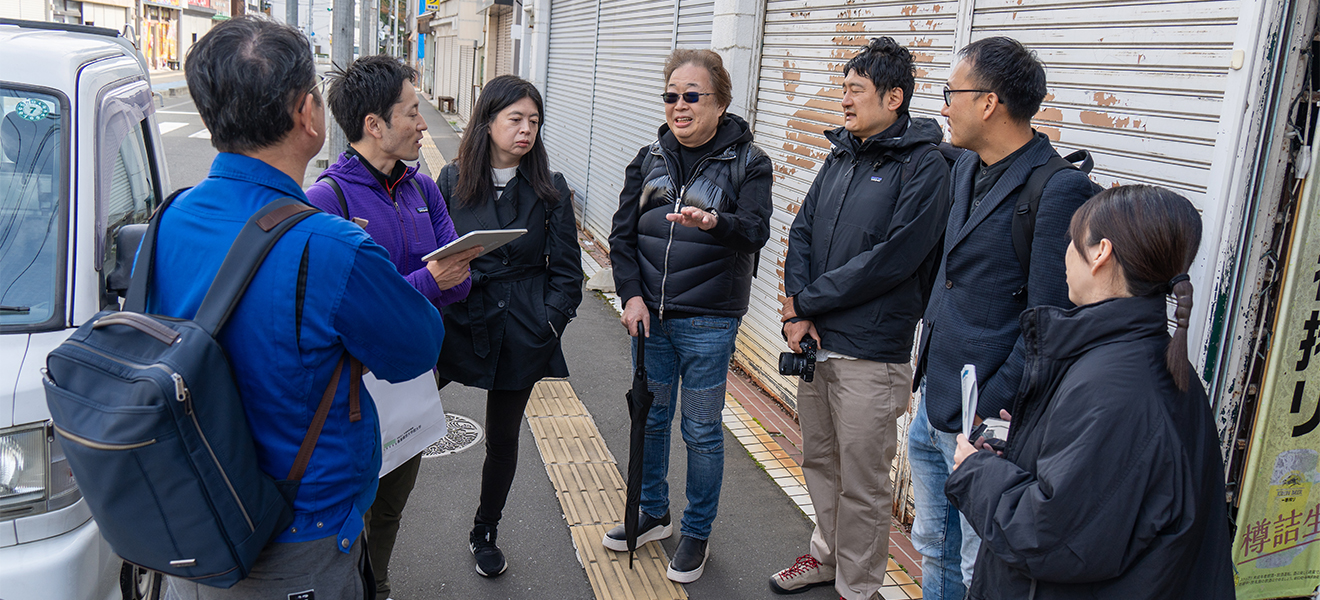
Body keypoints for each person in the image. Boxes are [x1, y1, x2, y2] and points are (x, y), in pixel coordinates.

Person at [156, 18, 445, 600]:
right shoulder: (330, 244)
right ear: (306, 115)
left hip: (200, 518)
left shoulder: (171, 217)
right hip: (301, 532)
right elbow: (418, 345)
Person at [945, 185, 1235, 599]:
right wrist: (1028, 446)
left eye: (1071, 242)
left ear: (1100, 253)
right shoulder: (1155, 364)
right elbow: (1102, 498)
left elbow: (1049, 536)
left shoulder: (1116, 386)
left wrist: (976, 472)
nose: (1065, 256)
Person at [908, 36, 1097, 600]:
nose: (942, 105)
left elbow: (1048, 321)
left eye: (950, 93)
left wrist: (989, 405)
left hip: (988, 421)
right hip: (934, 400)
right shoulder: (965, 165)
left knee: (978, 564)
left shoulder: (1058, 188)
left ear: (988, 103)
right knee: (932, 544)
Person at [769, 37, 951, 600]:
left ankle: (858, 586)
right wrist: (797, 310)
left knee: (865, 482)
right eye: (843, 88)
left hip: (872, 352)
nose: (843, 100)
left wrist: (808, 302)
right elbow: (802, 230)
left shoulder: (925, 166)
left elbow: (894, 258)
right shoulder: (842, 153)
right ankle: (825, 556)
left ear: (894, 97)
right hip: (816, 343)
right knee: (820, 460)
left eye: (856, 90)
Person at [305, 55, 478, 600]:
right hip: (351, 395)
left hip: (414, 384)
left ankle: (376, 587)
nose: (424, 123)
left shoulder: (423, 189)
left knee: (391, 511)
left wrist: (432, 281)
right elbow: (346, 313)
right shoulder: (326, 202)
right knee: (350, 513)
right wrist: (428, 280)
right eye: (411, 112)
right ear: (374, 125)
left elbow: (463, 284)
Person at [605, 48, 774, 583]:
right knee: (649, 420)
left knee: (700, 430)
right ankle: (653, 511)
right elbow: (622, 236)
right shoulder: (648, 157)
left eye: (692, 96)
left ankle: (697, 532)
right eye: (671, 96)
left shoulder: (749, 162)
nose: (679, 106)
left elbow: (755, 231)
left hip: (709, 321)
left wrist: (714, 222)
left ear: (720, 102)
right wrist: (630, 295)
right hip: (648, 317)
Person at [433, 75, 583, 578]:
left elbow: (567, 272)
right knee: (402, 419)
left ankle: (485, 529)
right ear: (488, 121)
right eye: (515, 119)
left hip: (522, 324)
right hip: (456, 316)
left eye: (534, 122)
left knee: (504, 436)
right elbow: (429, 253)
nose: (526, 131)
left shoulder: (550, 189)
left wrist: (551, 321)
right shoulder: (451, 181)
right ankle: (375, 522)